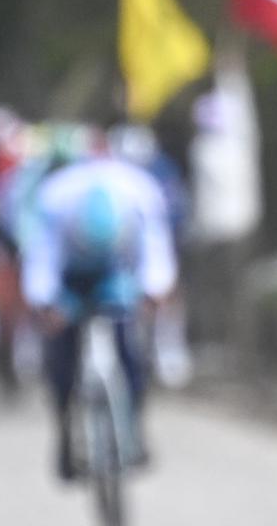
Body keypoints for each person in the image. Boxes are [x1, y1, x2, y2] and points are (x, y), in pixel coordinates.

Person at [19, 147, 176, 482]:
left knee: (129, 348)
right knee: (61, 354)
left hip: (116, 269)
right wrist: (45, 303)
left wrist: (153, 290)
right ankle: (64, 429)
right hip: (68, 271)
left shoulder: (139, 193)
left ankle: (133, 424)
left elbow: (156, 249)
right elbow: (42, 257)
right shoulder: (57, 198)